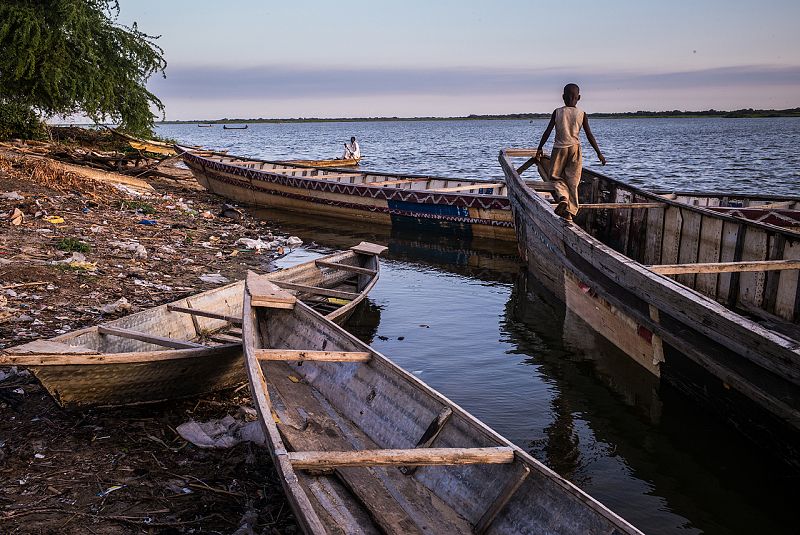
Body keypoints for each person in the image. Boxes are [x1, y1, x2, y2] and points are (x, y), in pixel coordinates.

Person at [534, 83, 605, 221]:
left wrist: (539, 148)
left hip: (559, 148)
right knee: (573, 181)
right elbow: (590, 135)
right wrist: (599, 153)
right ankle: (569, 214)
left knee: (555, 176)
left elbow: (547, 131)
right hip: (575, 149)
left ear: (563, 97)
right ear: (578, 97)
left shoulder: (558, 112)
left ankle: (563, 198)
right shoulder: (582, 114)